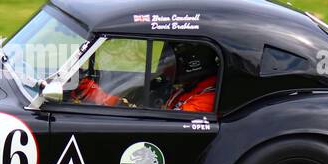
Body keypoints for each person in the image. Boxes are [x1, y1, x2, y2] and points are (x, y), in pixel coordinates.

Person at [70, 41, 219, 112]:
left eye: (171, 61)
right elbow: (129, 104)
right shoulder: (186, 88)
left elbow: (165, 124)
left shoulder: (206, 98)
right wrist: (85, 88)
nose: (166, 66)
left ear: (192, 64)